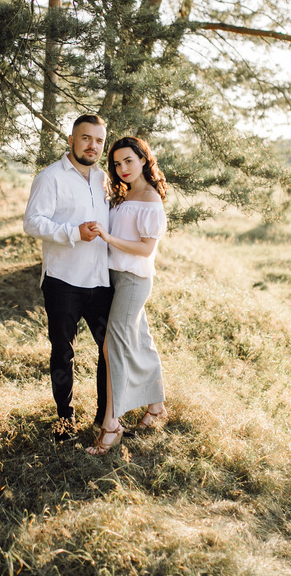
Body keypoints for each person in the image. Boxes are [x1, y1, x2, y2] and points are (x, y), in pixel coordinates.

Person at [23, 114, 113, 441]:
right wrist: (73, 232)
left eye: (99, 140)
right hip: (63, 281)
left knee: (109, 350)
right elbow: (33, 222)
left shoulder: (106, 180)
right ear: (72, 139)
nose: (93, 145)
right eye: (86, 138)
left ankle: (106, 418)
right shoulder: (50, 177)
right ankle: (65, 420)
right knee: (63, 351)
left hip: (101, 281)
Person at [86, 136, 169, 456]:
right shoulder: (124, 193)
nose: (122, 168)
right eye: (117, 163)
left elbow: (147, 248)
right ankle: (157, 406)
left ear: (144, 160)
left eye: (129, 161)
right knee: (140, 340)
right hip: (115, 277)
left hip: (134, 280)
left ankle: (112, 424)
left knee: (112, 346)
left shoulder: (150, 199)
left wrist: (108, 237)